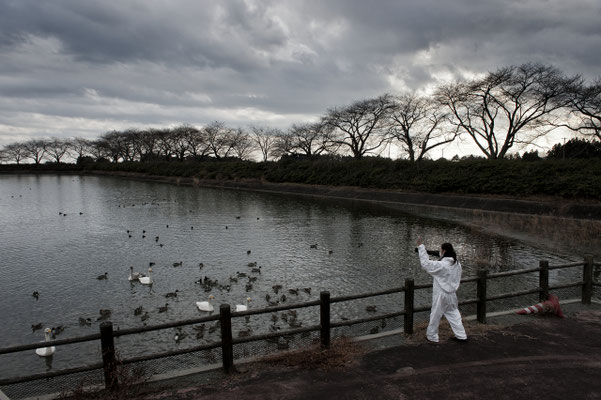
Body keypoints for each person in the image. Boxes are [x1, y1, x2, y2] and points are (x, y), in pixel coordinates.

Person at [416, 237, 467, 343]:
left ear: (443, 251)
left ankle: (432, 336)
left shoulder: (442, 265)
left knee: (435, 315)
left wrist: (421, 247)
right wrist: (426, 251)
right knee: (454, 313)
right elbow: (443, 257)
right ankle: (461, 335)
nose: (440, 251)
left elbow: (426, 264)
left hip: (441, 294)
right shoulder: (457, 264)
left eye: (441, 249)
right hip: (452, 294)